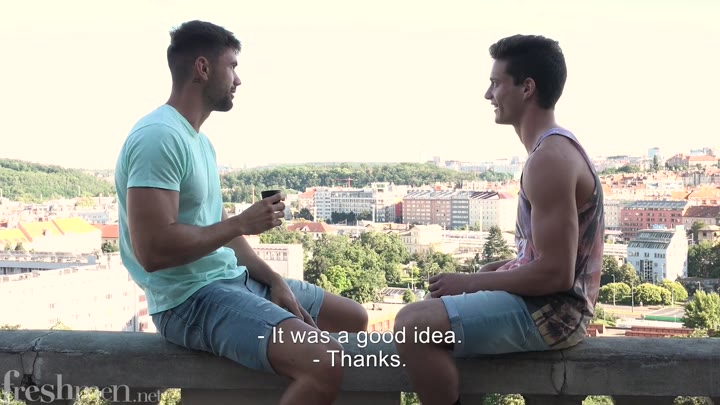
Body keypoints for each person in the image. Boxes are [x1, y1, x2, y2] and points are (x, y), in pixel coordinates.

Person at [114, 20, 368, 405]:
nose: (238, 79)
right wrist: (244, 222)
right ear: (203, 68)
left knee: (352, 319)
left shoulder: (199, 142)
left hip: (231, 280)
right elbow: (153, 251)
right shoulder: (158, 136)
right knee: (324, 359)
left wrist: (274, 280)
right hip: (188, 299)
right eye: (232, 66)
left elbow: (223, 233)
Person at [393, 34, 605, 405]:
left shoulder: (550, 158)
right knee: (434, 305)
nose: (488, 94)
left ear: (527, 88)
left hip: (554, 316)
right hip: (549, 308)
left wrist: (470, 282)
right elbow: (545, 258)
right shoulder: (552, 149)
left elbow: (557, 274)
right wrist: (497, 269)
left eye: (496, 83)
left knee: (413, 325)